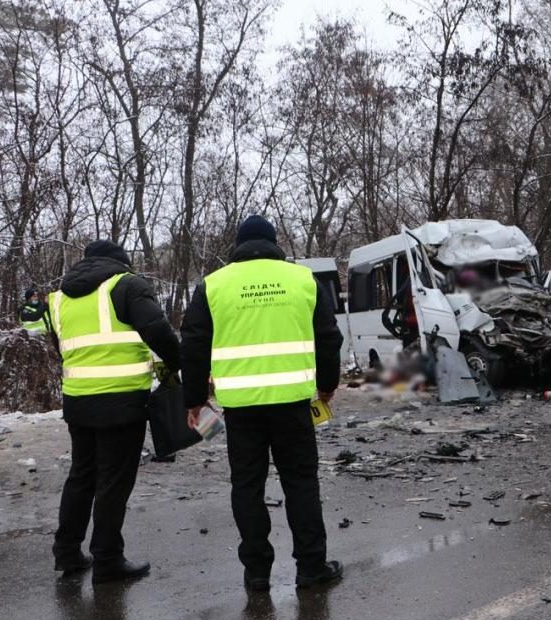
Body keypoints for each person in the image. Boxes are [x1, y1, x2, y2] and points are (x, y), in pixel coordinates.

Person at [180, 215, 344, 592]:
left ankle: (256, 572)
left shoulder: (214, 285)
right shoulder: (303, 280)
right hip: (293, 406)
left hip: (241, 410)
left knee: (247, 487)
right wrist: (327, 386)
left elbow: (192, 345)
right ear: (274, 243)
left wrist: (194, 401)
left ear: (237, 246)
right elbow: (328, 337)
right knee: (301, 484)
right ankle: (310, 567)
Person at [46, 240, 180, 584]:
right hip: (121, 403)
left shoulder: (58, 298)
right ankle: (107, 559)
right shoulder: (127, 285)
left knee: (82, 475)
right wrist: (180, 365)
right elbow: (158, 331)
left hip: (77, 400)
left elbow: (62, 348)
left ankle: (67, 552)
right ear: (121, 262)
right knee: (113, 482)